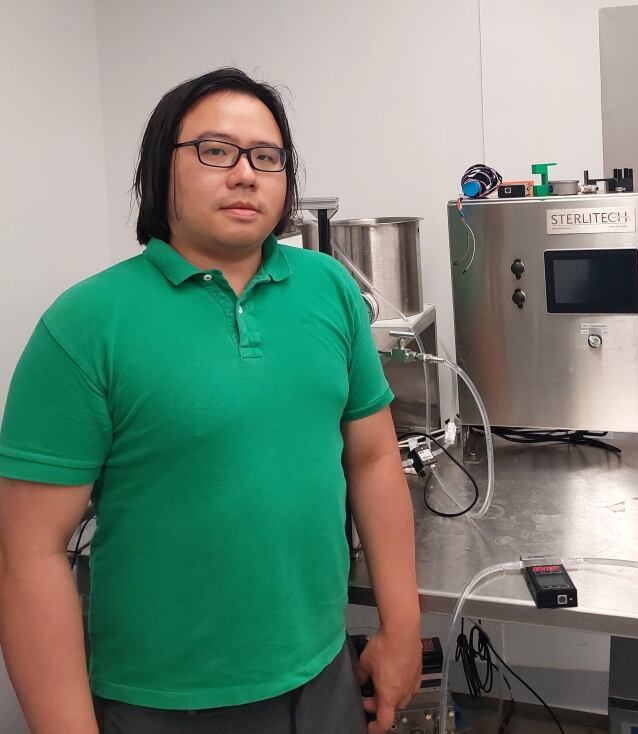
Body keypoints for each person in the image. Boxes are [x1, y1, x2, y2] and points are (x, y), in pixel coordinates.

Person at [0, 67, 421, 734]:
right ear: (158, 167)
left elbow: (371, 460)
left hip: (324, 682)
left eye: (267, 156)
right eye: (216, 151)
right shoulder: (85, 325)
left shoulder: (329, 290)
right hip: (160, 704)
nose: (247, 174)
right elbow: (28, 555)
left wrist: (401, 629)